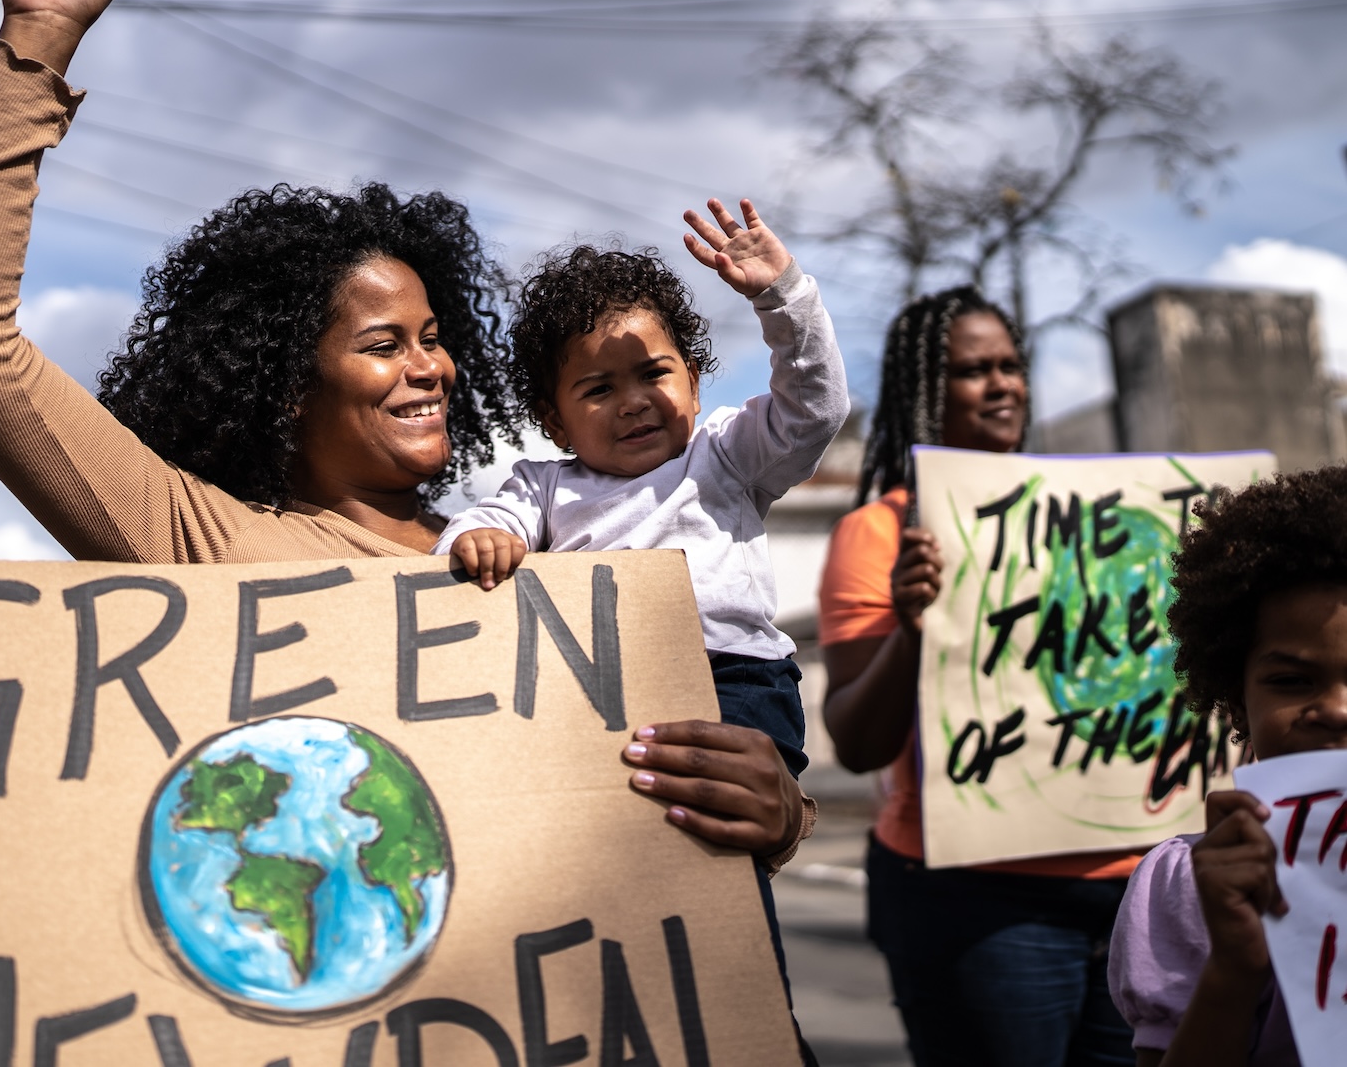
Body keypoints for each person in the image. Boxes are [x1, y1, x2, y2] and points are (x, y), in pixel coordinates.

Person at [0, 0, 811, 894]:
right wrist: (37, 42)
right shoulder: (200, 541)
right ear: (288, 385)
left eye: (433, 336)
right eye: (385, 345)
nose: (433, 369)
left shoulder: (542, 546)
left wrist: (781, 811)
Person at [816, 286, 1139, 1066]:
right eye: (974, 371)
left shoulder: (1104, 519)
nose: (1003, 384)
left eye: (1011, 364)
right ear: (926, 392)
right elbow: (858, 742)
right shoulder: (881, 533)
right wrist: (915, 628)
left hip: (1137, 889)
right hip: (977, 899)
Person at [437, 212, 850, 781]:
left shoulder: (726, 454)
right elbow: (484, 526)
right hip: (595, 687)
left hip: (732, 680)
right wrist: (478, 539)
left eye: (653, 374)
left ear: (695, 385)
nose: (632, 402)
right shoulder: (543, 486)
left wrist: (785, 298)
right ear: (555, 422)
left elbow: (814, 410)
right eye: (600, 389)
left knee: (720, 825)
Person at [1108, 464, 1347, 1066]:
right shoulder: (1191, 885)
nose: (1337, 710)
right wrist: (1233, 969)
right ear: (1239, 699)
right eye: (1292, 680)